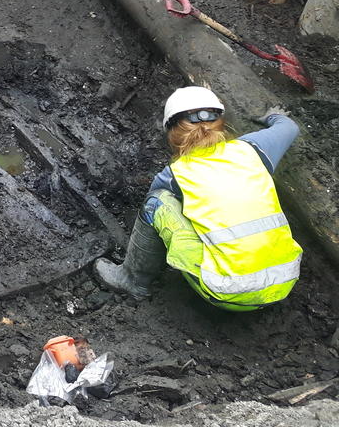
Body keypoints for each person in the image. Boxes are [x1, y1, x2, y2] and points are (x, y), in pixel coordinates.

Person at [95, 86, 302, 311]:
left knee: (155, 203)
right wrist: (273, 116)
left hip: (229, 294)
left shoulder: (174, 175)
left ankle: (132, 280)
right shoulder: (254, 148)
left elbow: (155, 215)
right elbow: (289, 127)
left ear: (172, 133)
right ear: (220, 123)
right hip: (283, 282)